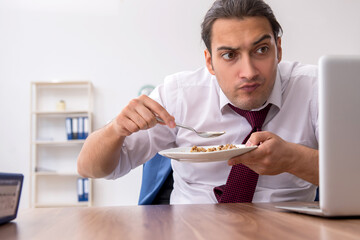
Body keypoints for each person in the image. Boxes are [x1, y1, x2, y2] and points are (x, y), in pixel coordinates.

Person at [77, 0, 319, 204]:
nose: (248, 71)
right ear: (210, 62)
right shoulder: (179, 94)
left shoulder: (315, 87)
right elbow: (89, 168)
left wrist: (294, 159)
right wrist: (115, 130)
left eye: (261, 49)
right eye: (229, 55)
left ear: (278, 49)